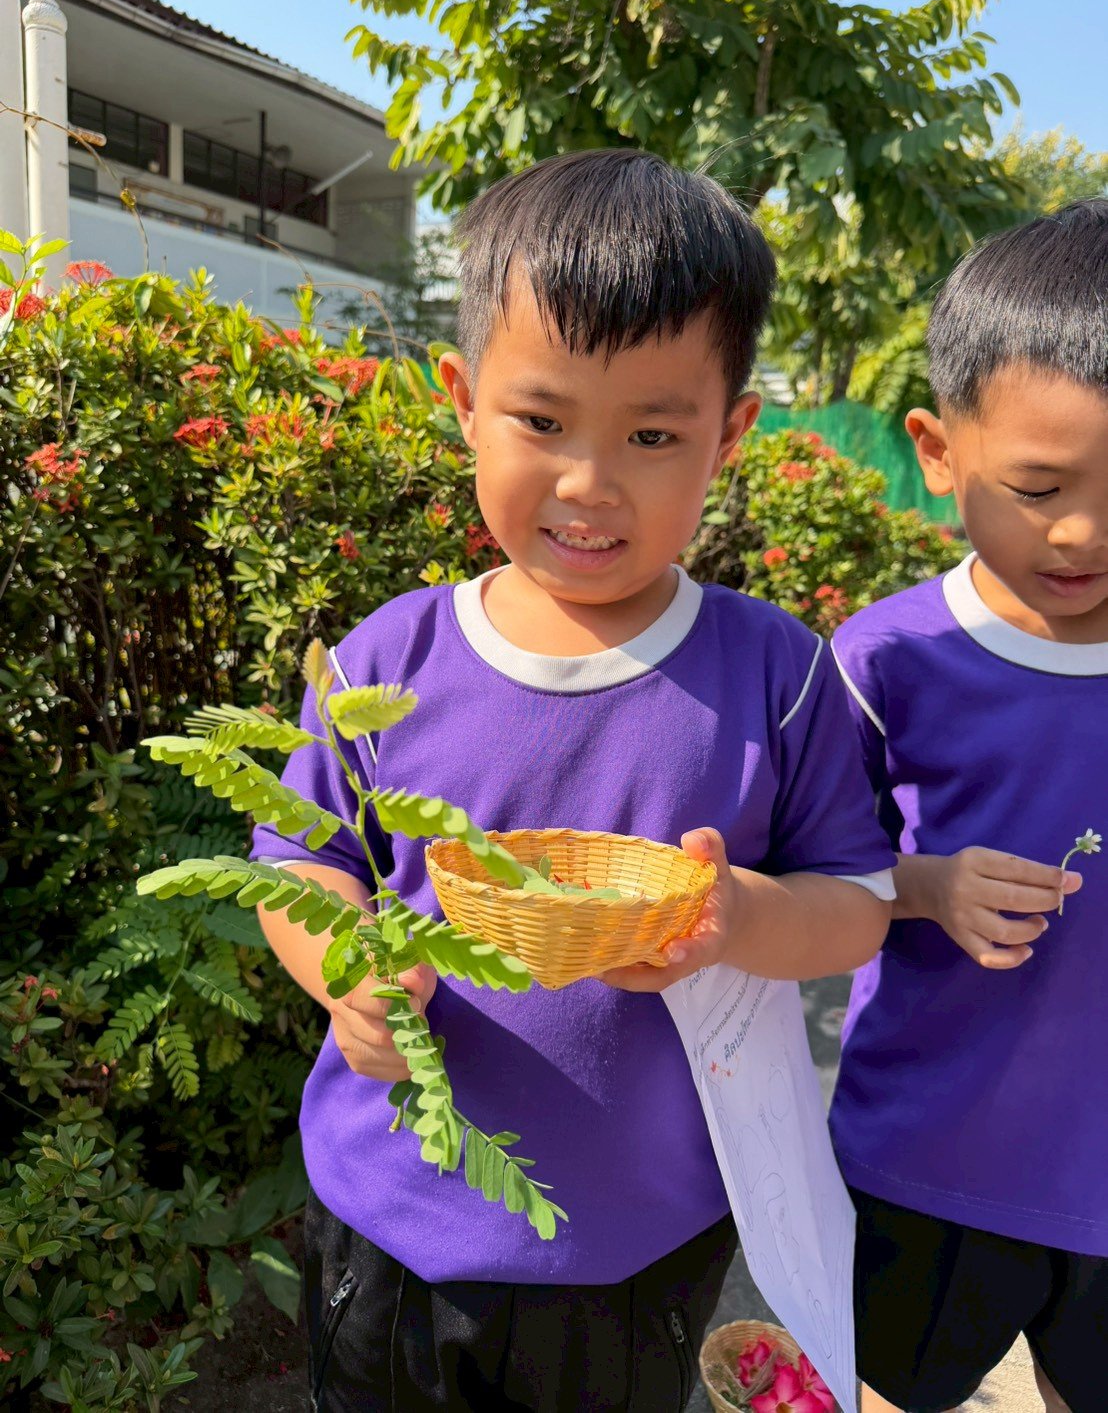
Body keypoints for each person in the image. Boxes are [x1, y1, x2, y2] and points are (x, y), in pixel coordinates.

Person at [250, 149, 893, 1413]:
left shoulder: (773, 673)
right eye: (541, 422)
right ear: (462, 399)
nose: (590, 483)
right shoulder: (389, 659)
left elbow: (856, 903)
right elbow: (300, 858)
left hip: (637, 1247)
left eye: (652, 435)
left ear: (731, 433)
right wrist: (344, 971)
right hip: (393, 1218)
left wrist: (738, 917)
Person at [829, 199, 1108, 1413]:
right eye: (1037, 486)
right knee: (883, 1388)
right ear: (938, 451)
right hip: (926, 1162)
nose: (1083, 530)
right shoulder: (887, 661)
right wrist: (924, 886)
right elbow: (810, 879)